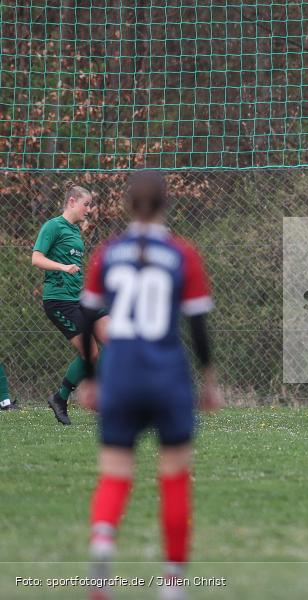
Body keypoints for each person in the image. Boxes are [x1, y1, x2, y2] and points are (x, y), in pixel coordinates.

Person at [79, 171, 222, 599]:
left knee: (115, 472)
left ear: (125, 206)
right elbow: (198, 327)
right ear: (165, 205)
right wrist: (209, 380)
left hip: (120, 374)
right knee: (175, 474)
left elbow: (87, 319)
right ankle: (172, 583)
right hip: (166, 376)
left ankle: (103, 543)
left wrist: (90, 379)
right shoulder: (182, 254)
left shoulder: (107, 253)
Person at [32, 182, 108, 425]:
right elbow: (36, 259)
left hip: (81, 298)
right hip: (59, 301)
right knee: (91, 352)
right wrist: (62, 267)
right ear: (72, 201)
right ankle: (60, 398)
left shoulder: (76, 232)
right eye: (86, 204)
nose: (89, 209)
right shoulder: (53, 227)